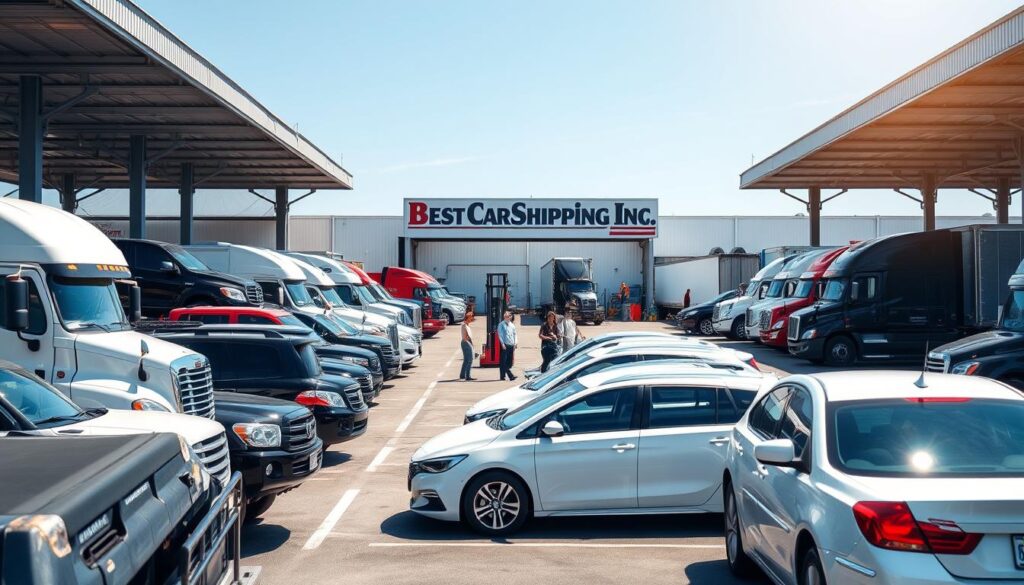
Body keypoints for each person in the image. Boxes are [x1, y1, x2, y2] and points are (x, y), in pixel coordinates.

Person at [497, 311, 517, 381]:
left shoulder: (512, 325)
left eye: (510, 316)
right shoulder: (501, 324)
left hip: (511, 345)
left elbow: (515, 334)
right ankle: (508, 375)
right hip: (505, 345)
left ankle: (506, 375)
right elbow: (500, 335)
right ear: (504, 317)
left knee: (509, 363)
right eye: (507, 316)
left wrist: (515, 343)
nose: (509, 317)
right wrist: (502, 344)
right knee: (503, 361)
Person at [460, 312, 476, 381]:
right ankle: (467, 376)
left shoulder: (466, 325)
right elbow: (465, 337)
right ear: (469, 317)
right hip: (466, 343)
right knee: (470, 360)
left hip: (466, 342)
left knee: (466, 360)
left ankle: (462, 375)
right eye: (471, 318)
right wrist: (470, 344)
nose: (472, 319)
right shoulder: (464, 325)